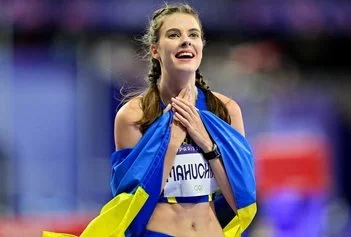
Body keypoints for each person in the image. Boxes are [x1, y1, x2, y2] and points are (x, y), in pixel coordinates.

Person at [43, 3, 256, 237]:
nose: (186, 41)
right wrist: (171, 140)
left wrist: (206, 143)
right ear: (155, 50)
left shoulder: (226, 111)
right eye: (174, 35)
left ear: (201, 46)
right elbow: (133, 204)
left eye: (193, 35)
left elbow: (242, 203)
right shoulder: (133, 116)